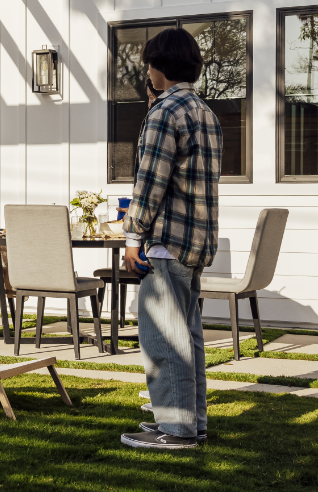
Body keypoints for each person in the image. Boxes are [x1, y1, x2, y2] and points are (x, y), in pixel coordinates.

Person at [119, 28, 221, 451]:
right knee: (188, 338)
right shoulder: (205, 112)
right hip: (197, 244)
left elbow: (150, 183)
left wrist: (131, 236)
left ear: (159, 67)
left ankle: (176, 432)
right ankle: (190, 424)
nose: (147, 71)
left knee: (163, 338)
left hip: (166, 242)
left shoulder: (164, 113)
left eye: (148, 64)